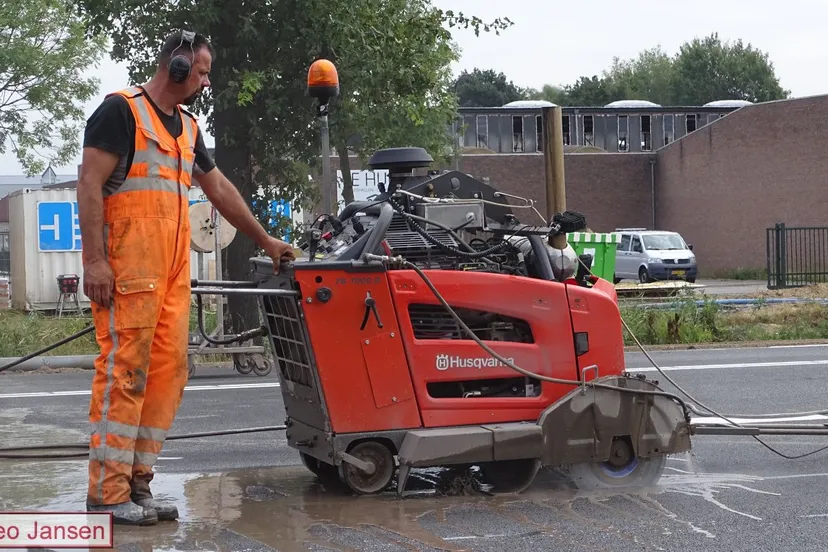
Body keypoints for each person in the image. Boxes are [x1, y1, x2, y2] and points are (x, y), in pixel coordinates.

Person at [76, 29, 295, 526]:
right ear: (176, 67)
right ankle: (107, 494)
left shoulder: (189, 129)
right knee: (124, 373)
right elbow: (89, 185)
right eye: (200, 72)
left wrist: (265, 240)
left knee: (169, 373)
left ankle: (138, 483)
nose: (205, 81)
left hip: (171, 273)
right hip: (128, 270)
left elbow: (218, 189)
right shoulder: (121, 112)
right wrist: (94, 262)